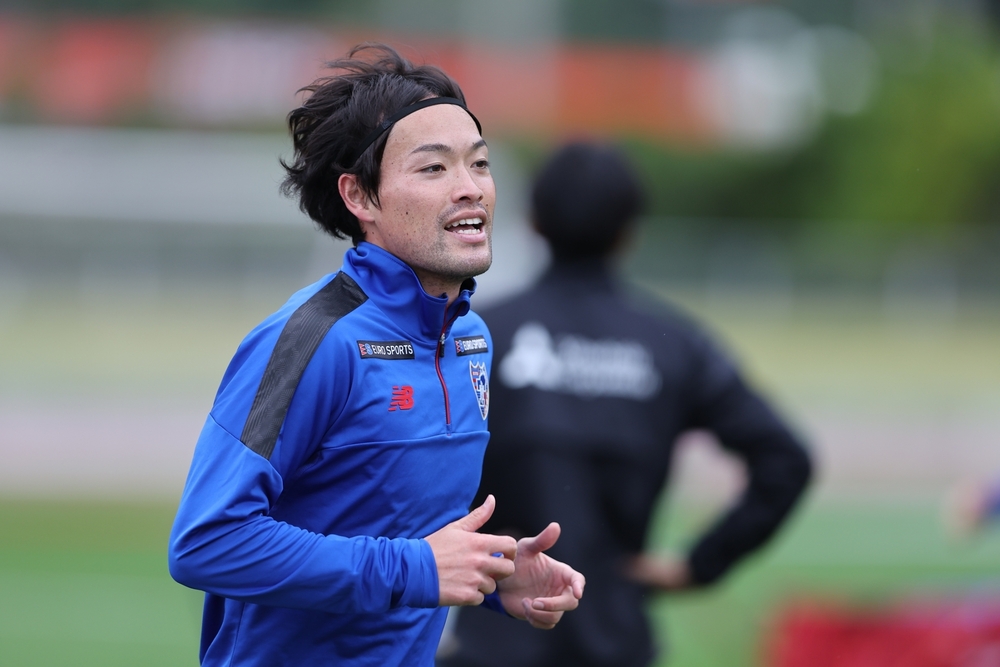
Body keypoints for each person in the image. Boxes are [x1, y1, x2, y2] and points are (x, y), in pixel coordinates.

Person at [167, 44, 584, 667]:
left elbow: (407, 536)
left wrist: (494, 577)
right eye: (434, 168)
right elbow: (207, 543)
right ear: (360, 196)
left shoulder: (470, 339)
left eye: (479, 163)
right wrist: (414, 569)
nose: (470, 189)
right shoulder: (317, 339)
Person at [438, 141, 813, 667]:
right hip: (615, 637)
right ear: (629, 233)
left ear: (533, 223)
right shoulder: (672, 343)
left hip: (495, 638)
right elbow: (786, 460)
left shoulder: (474, 336)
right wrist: (700, 564)